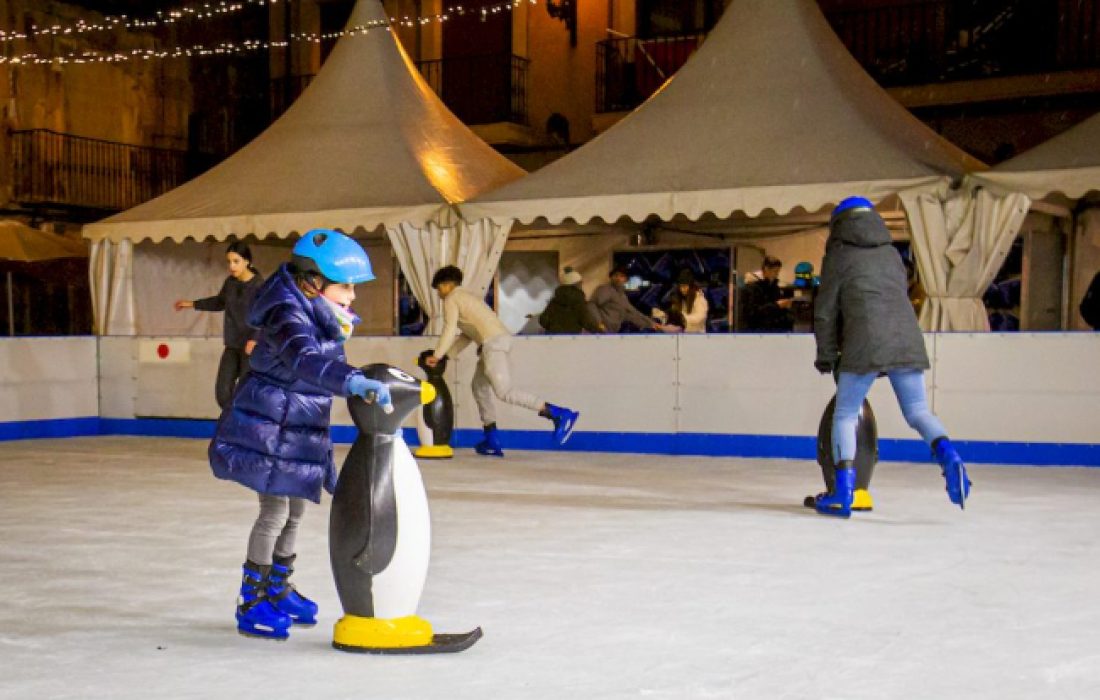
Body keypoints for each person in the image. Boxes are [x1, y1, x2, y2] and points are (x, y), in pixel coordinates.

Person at [208, 229, 393, 640]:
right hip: (269, 425)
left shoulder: (318, 312)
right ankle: (251, 600)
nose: (352, 295)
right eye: (345, 286)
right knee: (274, 513)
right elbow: (304, 359)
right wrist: (351, 381)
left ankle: (277, 588)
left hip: (296, 425)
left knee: (295, 512)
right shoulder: (286, 313)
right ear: (313, 280)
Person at [812, 197, 971, 518]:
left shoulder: (839, 256)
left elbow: (825, 312)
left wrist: (826, 355)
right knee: (918, 411)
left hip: (865, 341)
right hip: (907, 338)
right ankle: (949, 455)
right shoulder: (891, 254)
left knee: (846, 414)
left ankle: (843, 492)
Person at [425, 265, 579, 457]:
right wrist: (447, 355)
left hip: (493, 344)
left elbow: (449, 329)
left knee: (504, 391)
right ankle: (491, 438)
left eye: (439, 288)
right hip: (495, 341)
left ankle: (558, 414)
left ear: (447, 284)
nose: (439, 294)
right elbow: (467, 335)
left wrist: (437, 355)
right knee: (479, 387)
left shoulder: (452, 298)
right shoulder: (469, 298)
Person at [174, 242, 265, 409]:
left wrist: (255, 338)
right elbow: (219, 302)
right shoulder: (230, 283)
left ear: (247, 261)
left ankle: (248, 422)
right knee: (222, 392)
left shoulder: (259, 286)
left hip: (251, 348)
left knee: (247, 391)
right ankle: (234, 419)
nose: (231, 266)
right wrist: (192, 304)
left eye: (236, 261)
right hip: (232, 345)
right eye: (229, 261)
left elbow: (266, 315)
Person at [588, 266, 662, 333]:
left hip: (610, 333)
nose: (618, 278)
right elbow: (591, 305)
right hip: (598, 332)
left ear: (626, 279)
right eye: (616, 275)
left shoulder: (622, 296)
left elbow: (632, 314)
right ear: (611, 277)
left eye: (622, 276)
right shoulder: (606, 289)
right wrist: (600, 325)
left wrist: (652, 324)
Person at [539, 267, 602, 334]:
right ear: (577, 284)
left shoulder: (555, 300)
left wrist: (553, 327)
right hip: (571, 338)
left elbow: (543, 320)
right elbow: (587, 322)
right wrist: (600, 332)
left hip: (552, 337)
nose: (581, 286)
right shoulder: (578, 301)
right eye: (580, 283)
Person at [741, 256, 794, 332]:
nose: (777, 275)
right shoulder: (752, 287)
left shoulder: (773, 286)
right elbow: (752, 313)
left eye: (778, 272)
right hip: (758, 331)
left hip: (774, 330)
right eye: (775, 271)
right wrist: (777, 305)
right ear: (766, 269)